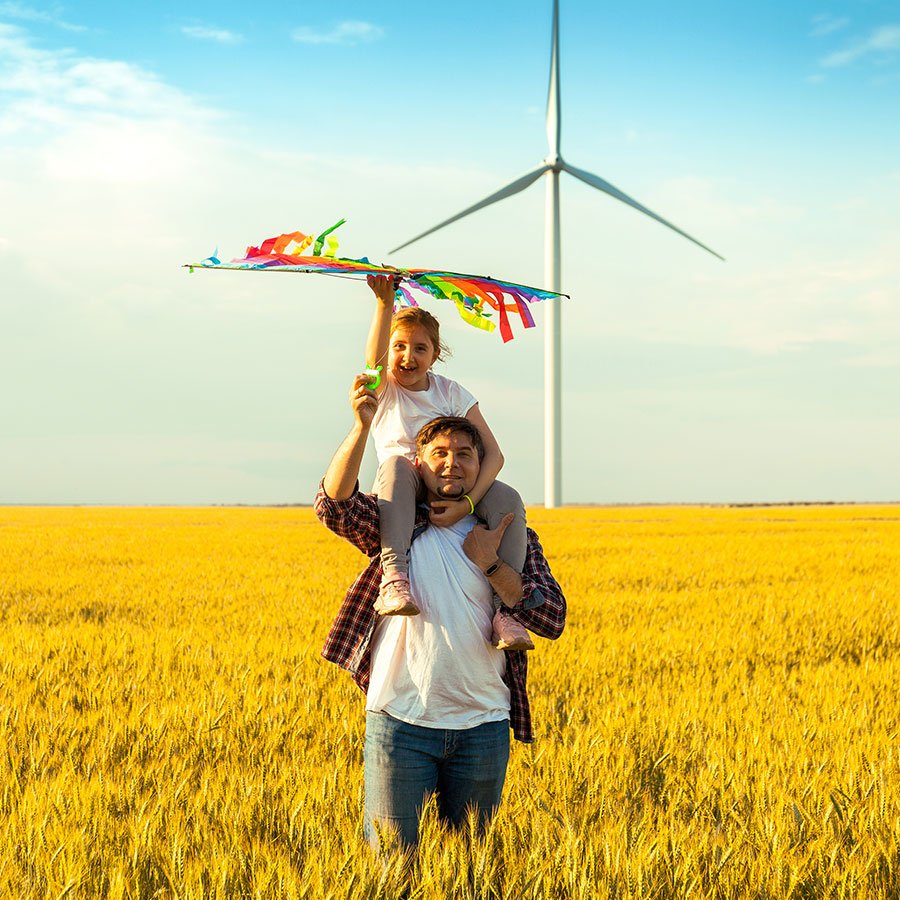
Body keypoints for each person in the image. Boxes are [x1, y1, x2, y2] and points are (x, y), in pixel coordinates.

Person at [314, 377, 567, 850]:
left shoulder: (506, 531)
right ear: (419, 463)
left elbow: (552, 618)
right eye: (440, 453)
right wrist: (361, 427)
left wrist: (491, 564)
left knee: (469, 868)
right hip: (399, 721)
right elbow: (334, 507)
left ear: (479, 466)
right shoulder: (397, 520)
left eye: (464, 454)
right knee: (392, 867)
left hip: (484, 726)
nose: (452, 462)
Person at [364, 274, 532, 651]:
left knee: (507, 498)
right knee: (396, 465)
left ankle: (505, 614)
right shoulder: (386, 387)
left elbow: (495, 454)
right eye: (399, 347)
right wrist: (383, 304)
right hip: (404, 486)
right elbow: (372, 359)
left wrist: (467, 505)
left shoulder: (451, 392)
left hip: (454, 484)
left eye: (420, 349)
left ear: (436, 354)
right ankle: (394, 578)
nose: (408, 357)